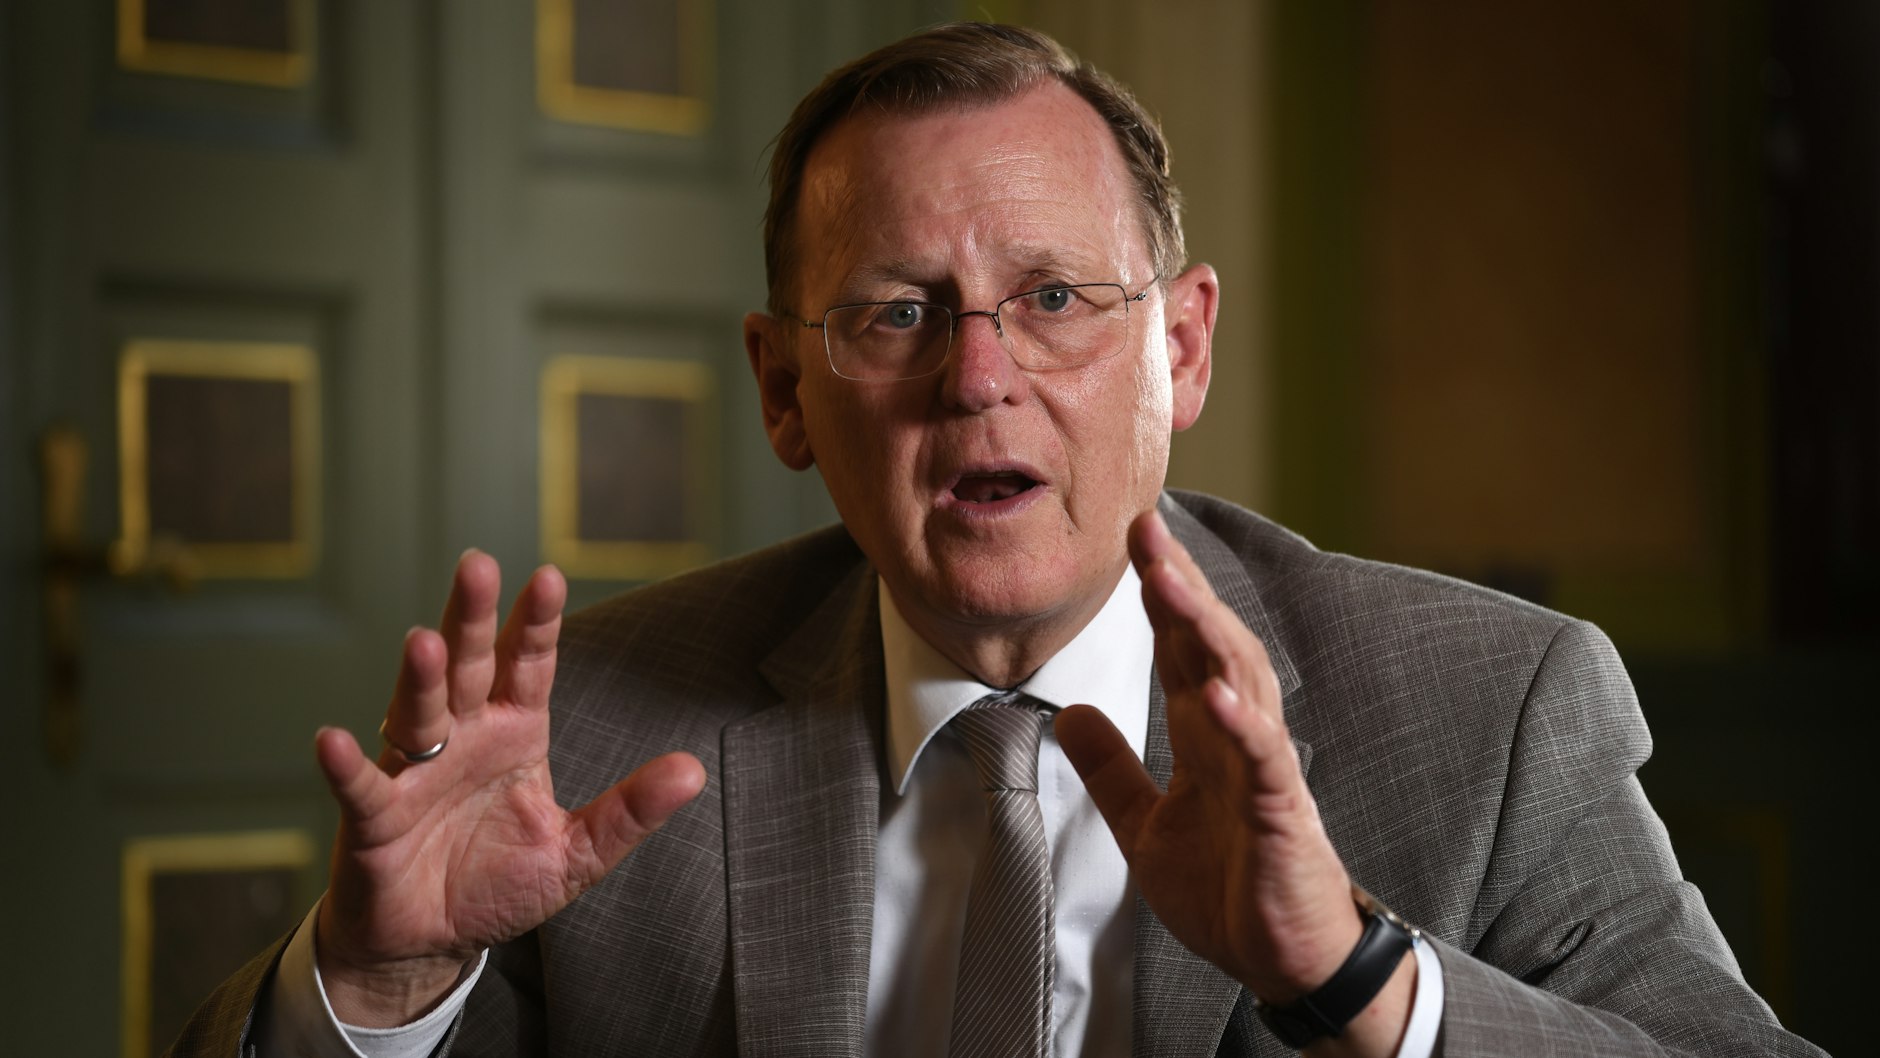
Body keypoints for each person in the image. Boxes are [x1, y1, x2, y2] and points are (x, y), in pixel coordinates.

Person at [172, 22, 1822, 1058]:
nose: (978, 378)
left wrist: (1355, 974)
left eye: (1054, 298)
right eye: (897, 312)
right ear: (784, 390)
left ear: (1182, 347)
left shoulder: (1490, 706)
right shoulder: (598, 726)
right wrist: (377, 989)